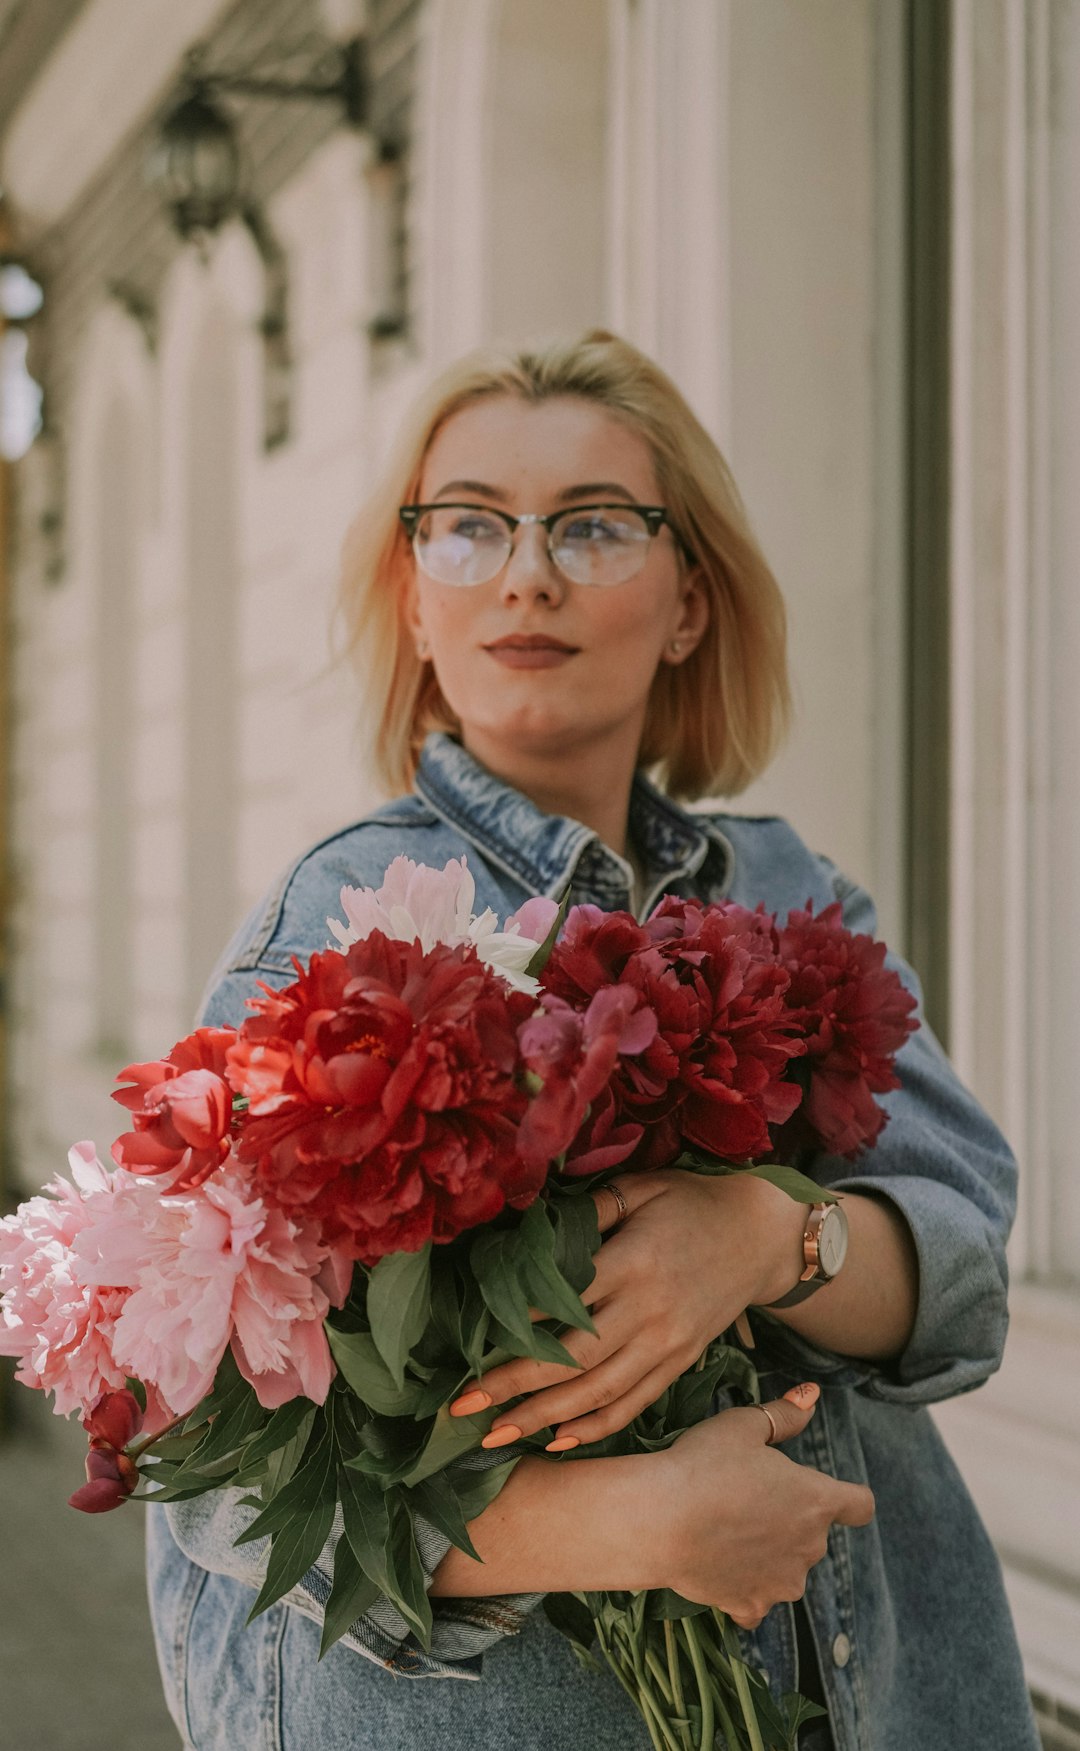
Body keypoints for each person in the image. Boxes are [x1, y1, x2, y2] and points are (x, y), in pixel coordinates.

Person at [146, 329, 1039, 1751]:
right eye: (470, 527)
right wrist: (629, 1523)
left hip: (873, 1697)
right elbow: (203, 1476)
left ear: (690, 600)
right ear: (415, 597)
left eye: (596, 527)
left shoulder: (786, 889)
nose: (529, 572)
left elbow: (965, 1271)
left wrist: (768, 1237)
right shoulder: (334, 923)